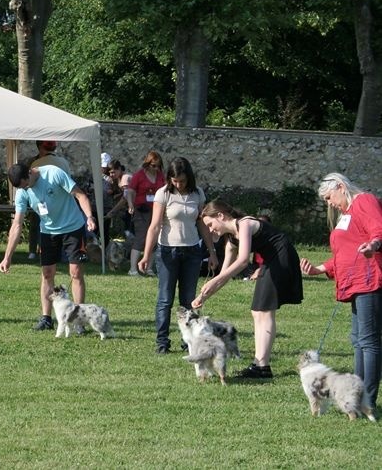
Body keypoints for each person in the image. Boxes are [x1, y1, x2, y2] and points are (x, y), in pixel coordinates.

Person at [192, 200, 304, 379]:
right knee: (257, 312)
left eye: (211, 224)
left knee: (264, 312)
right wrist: (202, 297)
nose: (211, 230)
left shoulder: (245, 224)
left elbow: (243, 260)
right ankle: (259, 365)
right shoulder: (230, 241)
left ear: (221, 216)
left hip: (282, 258)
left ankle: (262, 367)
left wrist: (215, 280)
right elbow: (225, 275)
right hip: (270, 262)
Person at [300, 173, 382, 408]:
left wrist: (374, 245)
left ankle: (368, 399)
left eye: (328, 197)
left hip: (369, 279)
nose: (329, 203)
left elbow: (378, 229)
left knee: (369, 341)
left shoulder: (364, 201)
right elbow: (343, 256)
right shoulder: (346, 216)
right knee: (358, 340)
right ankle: (356, 394)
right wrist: (318, 268)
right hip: (355, 281)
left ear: (340, 186)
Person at [0, 162, 97, 331]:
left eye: (25, 184)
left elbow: (80, 195)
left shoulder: (54, 173)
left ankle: (78, 320)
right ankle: (46, 319)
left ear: (29, 173)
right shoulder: (22, 192)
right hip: (48, 233)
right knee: (47, 273)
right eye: (21, 187)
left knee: (76, 272)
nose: (25, 189)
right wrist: (7, 257)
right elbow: (16, 225)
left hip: (73, 228)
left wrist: (89, 217)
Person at [138, 157, 217, 354]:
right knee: (165, 299)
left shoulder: (198, 194)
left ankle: (188, 341)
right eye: (175, 181)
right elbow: (155, 226)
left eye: (182, 180)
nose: (178, 184)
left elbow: (202, 224)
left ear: (189, 178)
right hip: (167, 251)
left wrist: (212, 252)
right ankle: (162, 342)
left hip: (192, 251)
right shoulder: (162, 194)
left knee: (189, 299)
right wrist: (146, 255)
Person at [27, 140, 72, 260]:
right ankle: (44, 251)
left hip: (42, 201)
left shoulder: (35, 162)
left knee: (40, 225)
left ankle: (45, 252)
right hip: (57, 202)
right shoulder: (63, 162)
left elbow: (30, 183)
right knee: (44, 225)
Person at [127, 151, 166, 276]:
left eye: (158, 166)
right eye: (153, 165)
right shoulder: (139, 175)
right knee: (141, 237)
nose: (156, 168)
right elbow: (130, 191)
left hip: (156, 209)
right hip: (141, 210)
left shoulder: (160, 176)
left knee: (155, 237)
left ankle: (149, 268)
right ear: (147, 164)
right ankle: (133, 268)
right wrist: (130, 204)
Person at [104, 159, 134, 239]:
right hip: (131, 208)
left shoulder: (125, 178)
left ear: (119, 169)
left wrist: (112, 212)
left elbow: (125, 198)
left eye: (113, 172)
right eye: (110, 173)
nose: (111, 175)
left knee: (130, 233)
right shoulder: (119, 179)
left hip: (136, 208)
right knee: (128, 231)